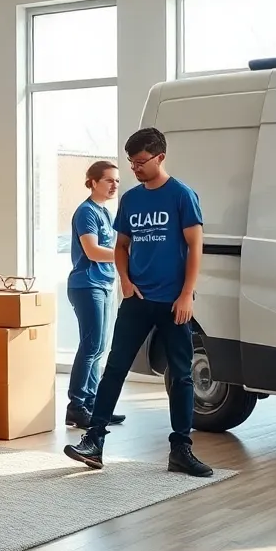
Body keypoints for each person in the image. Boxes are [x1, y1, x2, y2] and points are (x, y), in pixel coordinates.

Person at [63, 127, 213, 478]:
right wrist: (126, 282)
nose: (135, 168)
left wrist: (187, 293)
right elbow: (121, 246)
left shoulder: (182, 196)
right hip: (137, 299)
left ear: (160, 156)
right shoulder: (131, 200)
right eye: (132, 163)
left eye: (141, 161)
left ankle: (181, 449)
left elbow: (195, 245)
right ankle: (94, 441)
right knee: (115, 367)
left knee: (181, 375)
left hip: (174, 302)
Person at [65, 160, 126, 430]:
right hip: (86, 285)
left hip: (102, 284)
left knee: (99, 347)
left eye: (117, 181)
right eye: (109, 180)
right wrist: (126, 256)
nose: (114, 185)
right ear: (92, 182)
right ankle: (76, 407)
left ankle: (93, 406)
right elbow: (92, 251)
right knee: (90, 346)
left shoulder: (105, 213)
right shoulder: (86, 212)